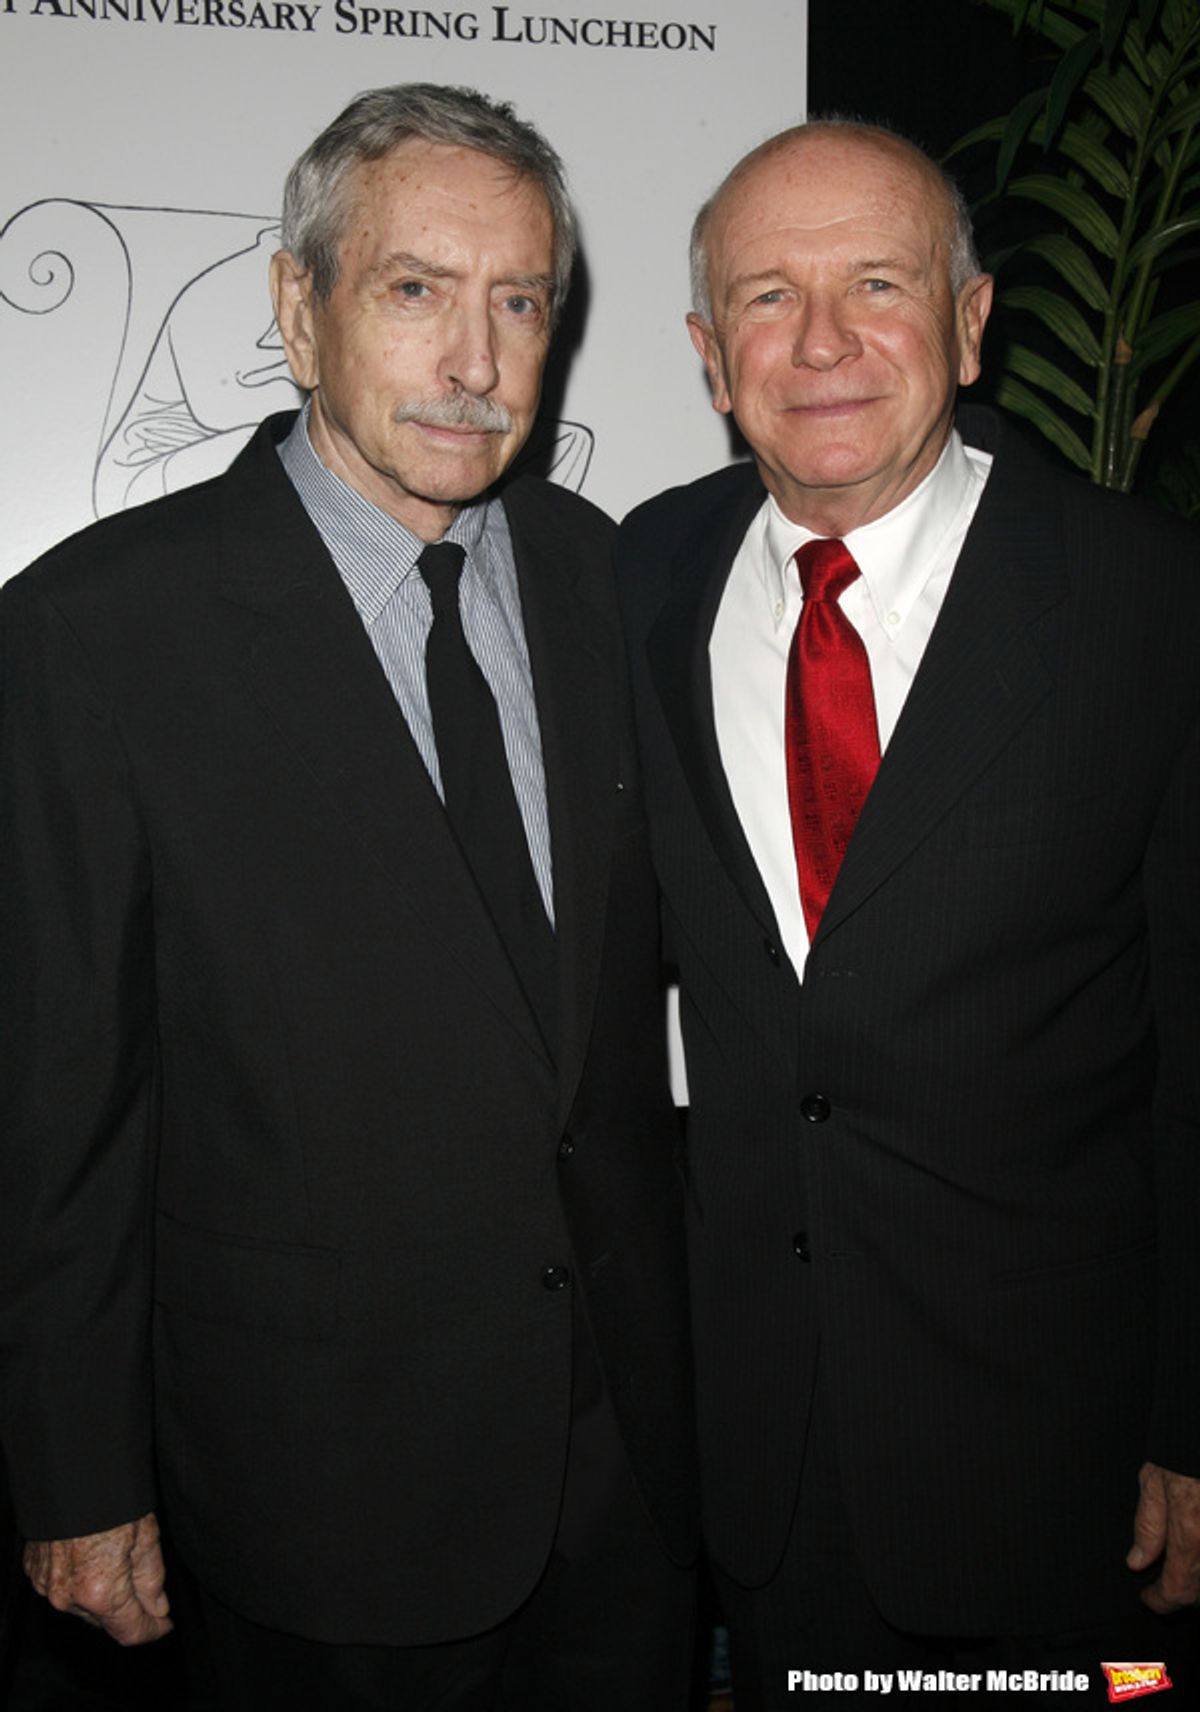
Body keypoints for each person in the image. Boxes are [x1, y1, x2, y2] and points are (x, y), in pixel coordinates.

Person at [0, 83, 697, 1711]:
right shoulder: (100, 631)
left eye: (519, 302)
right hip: (310, 1490)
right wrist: (76, 1474)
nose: (475, 361)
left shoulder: (610, 580)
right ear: (297, 308)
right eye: (415, 289)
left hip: (631, 1477)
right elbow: (56, 1106)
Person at [616, 118, 1200, 1705]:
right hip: (768, 1459)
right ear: (707, 354)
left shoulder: (1148, 600)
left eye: (877, 283)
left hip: (1069, 1467)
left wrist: (1190, 1418)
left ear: (971, 319)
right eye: (767, 297)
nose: (821, 342)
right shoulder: (643, 579)